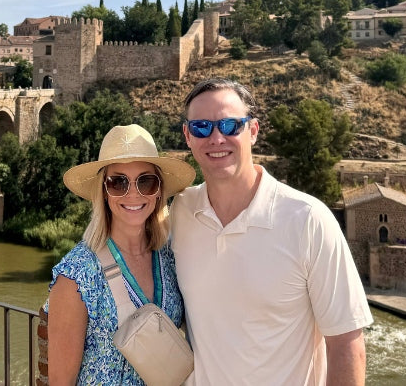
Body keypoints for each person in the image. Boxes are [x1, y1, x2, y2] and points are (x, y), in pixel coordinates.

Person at [171, 78, 372, 385]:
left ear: (252, 131)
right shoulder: (181, 212)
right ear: (188, 135)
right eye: (201, 127)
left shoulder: (307, 220)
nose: (216, 138)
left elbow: (347, 344)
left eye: (229, 126)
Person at [47, 123, 196, 385]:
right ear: (104, 191)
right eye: (118, 183)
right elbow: (60, 381)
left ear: (159, 189)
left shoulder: (170, 257)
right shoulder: (76, 276)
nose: (133, 194)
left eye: (146, 181)